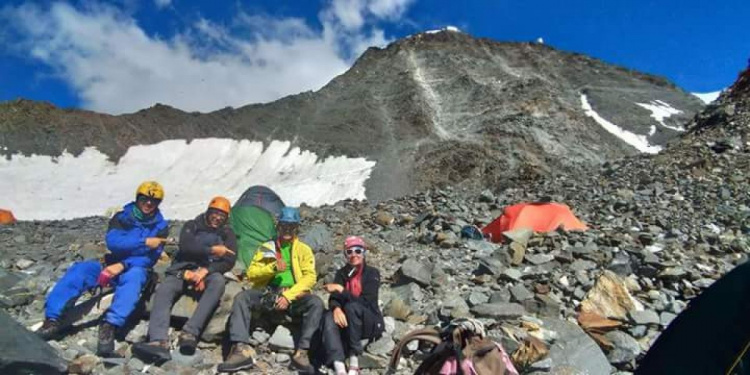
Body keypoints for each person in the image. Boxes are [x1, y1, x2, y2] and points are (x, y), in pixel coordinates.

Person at [36, 181, 170, 357]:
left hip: (133, 268)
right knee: (81, 270)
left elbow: (149, 258)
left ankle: (109, 325)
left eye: (154, 201)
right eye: (145, 199)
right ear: (138, 198)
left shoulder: (161, 227)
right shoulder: (122, 217)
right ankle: (52, 319)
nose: (149, 203)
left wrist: (123, 264)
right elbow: (114, 242)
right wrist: (143, 242)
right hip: (110, 262)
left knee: (135, 277)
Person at [218, 206, 323, 373]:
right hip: (269, 292)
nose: (287, 230)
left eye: (291, 227)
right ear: (278, 227)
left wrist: (288, 296)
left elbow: (309, 277)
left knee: (316, 303)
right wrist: (272, 268)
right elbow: (252, 274)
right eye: (283, 226)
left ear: (297, 228)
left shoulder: (303, 250)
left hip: (292, 294)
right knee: (242, 298)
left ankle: (302, 353)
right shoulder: (267, 248)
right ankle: (240, 350)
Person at [133, 196, 237, 363]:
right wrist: (212, 251)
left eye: (222, 215)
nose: (217, 217)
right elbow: (187, 247)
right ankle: (158, 340)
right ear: (208, 211)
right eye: (215, 213)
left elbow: (229, 260)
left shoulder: (228, 233)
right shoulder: (192, 225)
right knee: (165, 289)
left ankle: (190, 333)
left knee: (217, 283)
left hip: (206, 272)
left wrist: (206, 271)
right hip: (182, 270)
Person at [321, 236, 384, 375]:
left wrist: (341, 289)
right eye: (349, 252)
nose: (354, 255)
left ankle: (354, 361)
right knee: (328, 316)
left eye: (358, 250)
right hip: (349, 322)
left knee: (351, 307)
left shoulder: (372, 273)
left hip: (370, 322)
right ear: (345, 255)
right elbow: (334, 299)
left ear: (364, 252)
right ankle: (339, 366)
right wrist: (336, 308)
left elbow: (367, 302)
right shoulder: (342, 273)